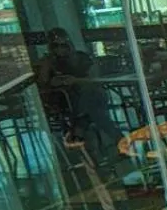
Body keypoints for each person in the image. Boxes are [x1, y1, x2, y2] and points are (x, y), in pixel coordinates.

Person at [35, 27, 115, 161]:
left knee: (91, 96)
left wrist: (75, 81)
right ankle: (115, 140)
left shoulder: (81, 57)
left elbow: (94, 78)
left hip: (86, 96)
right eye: (55, 46)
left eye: (63, 45)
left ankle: (80, 129)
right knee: (96, 110)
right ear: (50, 47)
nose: (60, 49)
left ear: (69, 43)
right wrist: (51, 76)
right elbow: (42, 86)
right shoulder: (48, 62)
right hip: (64, 100)